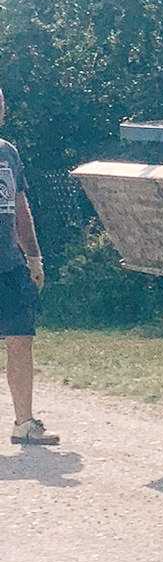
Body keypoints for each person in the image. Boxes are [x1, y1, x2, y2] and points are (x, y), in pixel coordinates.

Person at [0, 86, 53, 445]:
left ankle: (24, 422)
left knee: (21, 339)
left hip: (8, 263)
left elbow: (20, 208)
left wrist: (33, 257)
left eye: (0, 105)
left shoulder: (8, 153)